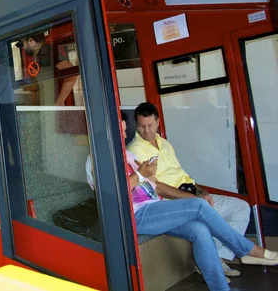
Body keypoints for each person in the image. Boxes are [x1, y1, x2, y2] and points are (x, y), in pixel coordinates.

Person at [118, 112, 278, 291]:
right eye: (121, 131)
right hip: (137, 215)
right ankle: (248, 250)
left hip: (156, 206)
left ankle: (220, 288)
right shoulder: (97, 161)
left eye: (125, 130)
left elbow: (152, 184)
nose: (125, 135)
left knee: (200, 230)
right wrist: (141, 174)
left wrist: (149, 177)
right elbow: (116, 192)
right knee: (199, 205)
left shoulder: (128, 155)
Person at [127, 102, 251, 278]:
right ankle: (248, 252)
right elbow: (156, 188)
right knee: (201, 224)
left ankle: (216, 257)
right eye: (141, 126)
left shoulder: (164, 144)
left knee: (241, 207)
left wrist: (201, 192)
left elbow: (183, 174)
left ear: (158, 122)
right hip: (172, 202)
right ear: (136, 125)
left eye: (150, 125)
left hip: (190, 193)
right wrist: (193, 200)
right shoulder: (134, 151)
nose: (146, 131)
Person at [19, 32, 77, 106]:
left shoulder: (50, 51)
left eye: (23, 43)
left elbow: (72, 74)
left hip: (52, 104)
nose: (23, 47)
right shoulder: (40, 55)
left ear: (31, 40)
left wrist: (60, 101)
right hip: (45, 103)